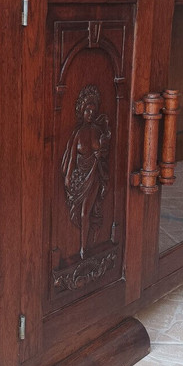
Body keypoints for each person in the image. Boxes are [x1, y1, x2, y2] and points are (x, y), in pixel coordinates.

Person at [61, 84, 111, 258]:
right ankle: (84, 244)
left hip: (94, 175)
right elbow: (71, 159)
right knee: (78, 211)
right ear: (81, 112)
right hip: (79, 177)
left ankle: (84, 247)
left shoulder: (98, 132)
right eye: (87, 111)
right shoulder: (77, 134)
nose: (91, 114)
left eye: (93, 110)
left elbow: (104, 154)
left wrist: (101, 153)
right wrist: (68, 178)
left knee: (86, 211)